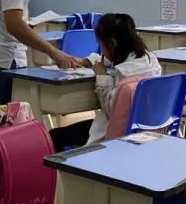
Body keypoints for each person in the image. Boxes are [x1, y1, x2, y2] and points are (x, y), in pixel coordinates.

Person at [48, 14, 161, 151]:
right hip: (144, 131)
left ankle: (68, 165)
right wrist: (83, 61)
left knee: (54, 136)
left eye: (100, 44)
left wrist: (102, 76)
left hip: (116, 135)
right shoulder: (148, 60)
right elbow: (107, 59)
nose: (101, 50)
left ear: (112, 44)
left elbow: (112, 111)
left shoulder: (124, 74)